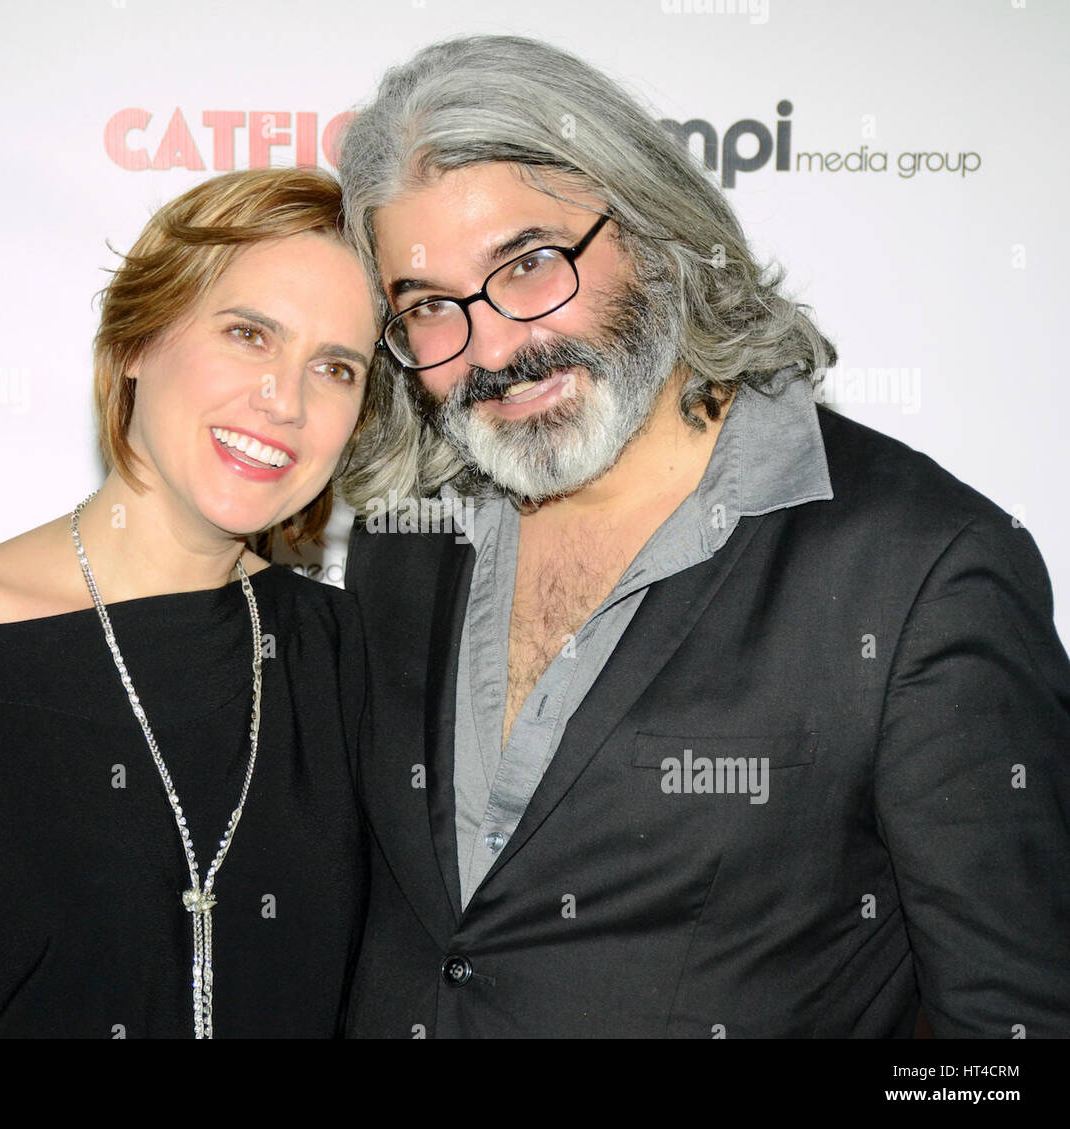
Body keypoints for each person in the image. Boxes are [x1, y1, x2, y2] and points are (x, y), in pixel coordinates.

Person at [333, 35, 1070, 1037]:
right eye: (427, 307)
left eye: (531, 263)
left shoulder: (917, 569)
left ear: (654, 227)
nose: (494, 348)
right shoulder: (404, 541)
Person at [0, 167, 380, 1038]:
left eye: (335, 367)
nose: (285, 400)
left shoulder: (337, 655)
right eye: (248, 333)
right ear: (137, 340)